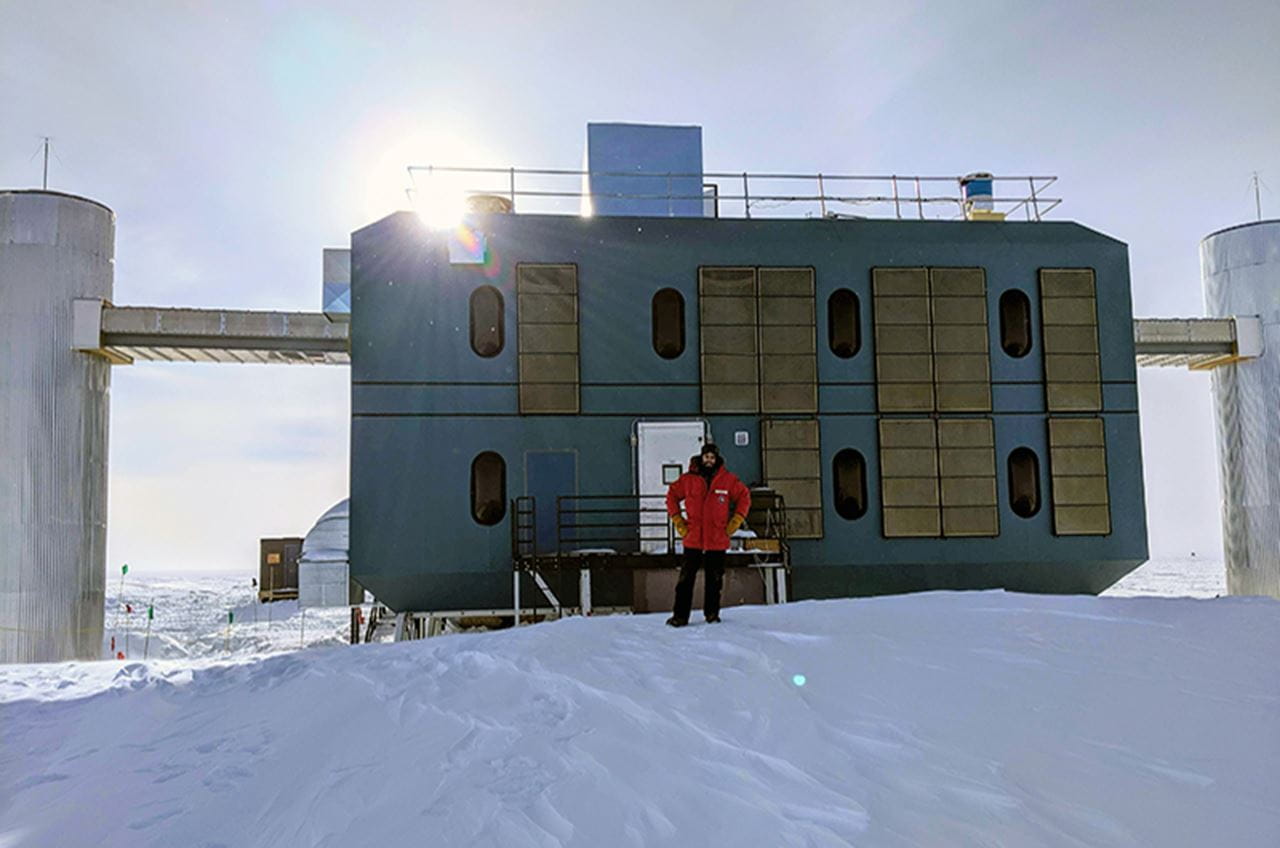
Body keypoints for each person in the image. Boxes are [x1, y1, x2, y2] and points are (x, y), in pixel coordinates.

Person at [664, 443, 751, 627]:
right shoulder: (688, 479)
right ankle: (680, 617)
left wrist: (736, 520)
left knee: (714, 581)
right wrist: (678, 520)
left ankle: (712, 615)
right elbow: (671, 496)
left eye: (712, 457)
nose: (709, 460)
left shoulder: (727, 480)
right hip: (693, 538)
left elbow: (744, 496)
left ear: (716, 459)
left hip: (717, 540)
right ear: (701, 457)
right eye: (706, 457)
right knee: (685, 581)